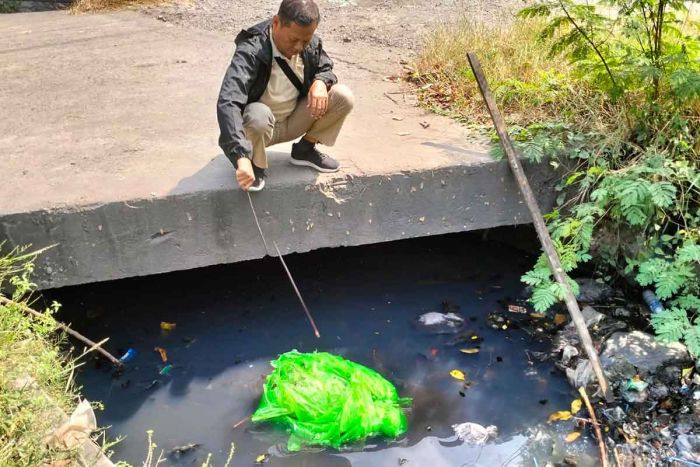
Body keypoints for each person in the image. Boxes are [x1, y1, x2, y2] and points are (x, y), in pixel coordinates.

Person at [217, 0, 354, 192]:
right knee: (258, 114)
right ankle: (254, 163)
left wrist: (321, 82)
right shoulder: (251, 50)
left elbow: (325, 67)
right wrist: (241, 156)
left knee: (342, 96)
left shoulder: (310, 43)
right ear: (276, 23)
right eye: (293, 40)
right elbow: (228, 101)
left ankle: (304, 150)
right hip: (259, 129)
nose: (299, 47)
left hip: (293, 120)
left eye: (305, 41)